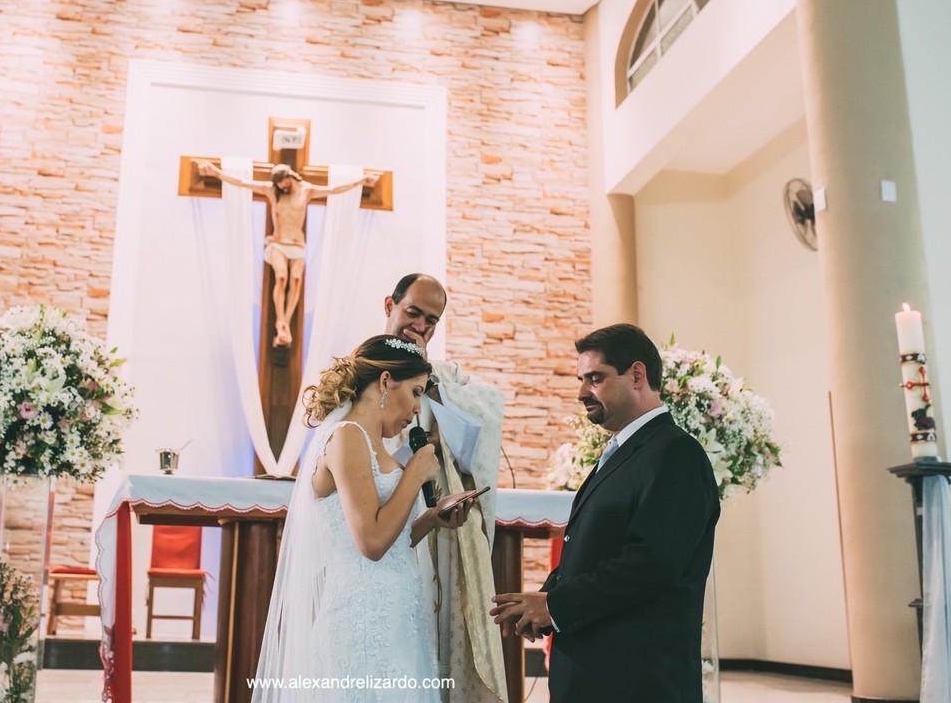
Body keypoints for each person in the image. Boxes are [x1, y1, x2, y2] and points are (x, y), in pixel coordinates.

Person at [489, 323, 720, 703]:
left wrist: (555, 606)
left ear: (637, 375)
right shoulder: (624, 452)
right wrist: (544, 600)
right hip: (597, 673)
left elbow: (650, 563)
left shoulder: (675, 454)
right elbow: (595, 551)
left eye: (594, 378)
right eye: (582, 379)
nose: (581, 392)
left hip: (636, 679)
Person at [252, 334, 477, 702]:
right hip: (363, 622)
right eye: (417, 392)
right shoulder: (347, 437)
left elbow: (390, 537)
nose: (418, 408)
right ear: (386, 381)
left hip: (396, 615)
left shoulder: (376, 445)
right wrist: (413, 474)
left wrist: (433, 518)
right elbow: (370, 543)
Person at [381, 273, 507, 703]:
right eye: (412, 312)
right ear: (390, 306)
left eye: (431, 320)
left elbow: (487, 414)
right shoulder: (360, 369)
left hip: (439, 531)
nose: (419, 326)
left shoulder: (443, 377)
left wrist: (435, 389)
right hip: (380, 517)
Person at [196, 160, 378, 347]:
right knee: (282, 278)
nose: (282, 186)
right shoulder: (271, 190)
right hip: (277, 243)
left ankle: (286, 322)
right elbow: (242, 183)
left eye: (283, 181)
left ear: (289, 176)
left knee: (296, 280)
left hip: (297, 244)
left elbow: (334, 189)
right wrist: (216, 172)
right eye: (279, 184)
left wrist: (360, 182)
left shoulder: (306, 190)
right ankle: (280, 321)